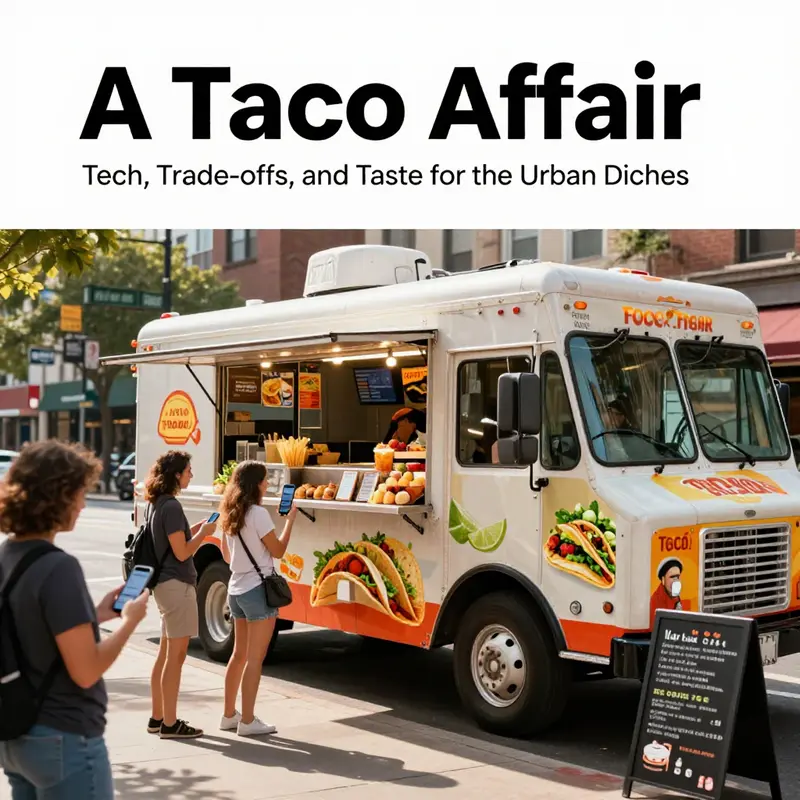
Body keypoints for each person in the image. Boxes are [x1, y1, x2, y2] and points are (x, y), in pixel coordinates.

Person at [0, 440, 150, 799]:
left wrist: (95, 615)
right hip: (64, 739)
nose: (83, 504)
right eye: (79, 493)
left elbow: (28, 629)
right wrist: (129, 621)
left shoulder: (7, 556)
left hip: (17, 739)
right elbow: (86, 670)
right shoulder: (59, 567)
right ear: (57, 496)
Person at [218, 461, 297, 736]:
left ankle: (229, 714)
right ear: (255, 485)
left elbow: (227, 557)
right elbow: (278, 551)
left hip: (235, 589)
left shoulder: (230, 512)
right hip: (256, 591)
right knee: (254, 659)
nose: (267, 485)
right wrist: (289, 523)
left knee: (238, 655)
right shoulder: (259, 514)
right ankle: (248, 721)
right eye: (264, 481)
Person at [146, 451, 217, 740]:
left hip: (164, 585)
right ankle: (171, 724)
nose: (191, 475)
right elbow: (183, 551)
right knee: (176, 658)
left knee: (165, 655)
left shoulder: (157, 503)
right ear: (176, 474)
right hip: (176, 585)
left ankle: (158, 717)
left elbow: (174, 542)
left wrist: (197, 529)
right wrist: (206, 534)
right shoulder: (172, 506)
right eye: (188, 470)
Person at [650, 557, 689, 622]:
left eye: (677, 577)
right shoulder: (655, 601)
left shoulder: (677, 599)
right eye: (672, 577)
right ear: (663, 580)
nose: (676, 581)